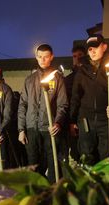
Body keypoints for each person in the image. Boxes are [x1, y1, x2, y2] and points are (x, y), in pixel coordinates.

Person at [70, 34, 109, 163]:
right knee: (86, 158)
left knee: (108, 158)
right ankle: (89, 183)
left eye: (96, 47)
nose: (93, 51)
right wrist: (73, 119)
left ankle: (106, 183)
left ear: (104, 47)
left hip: (107, 120)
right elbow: (76, 96)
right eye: (90, 49)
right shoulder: (82, 70)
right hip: (86, 121)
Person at [17, 44, 68, 182]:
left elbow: (62, 104)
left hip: (49, 129)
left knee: (53, 164)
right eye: (40, 57)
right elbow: (23, 105)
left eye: (46, 57)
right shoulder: (30, 79)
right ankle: (35, 195)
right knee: (33, 165)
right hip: (32, 128)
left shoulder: (58, 78)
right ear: (36, 57)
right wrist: (21, 129)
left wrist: (57, 122)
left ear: (51, 57)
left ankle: (52, 193)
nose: (42, 60)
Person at [63, 45, 86, 161]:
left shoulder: (90, 75)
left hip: (87, 119)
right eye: (74, 56)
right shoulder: (68, 79)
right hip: (73, 120)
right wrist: (71, 121)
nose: (77, 58)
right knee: (75, 152)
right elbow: (67, 101)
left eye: (80, 55)